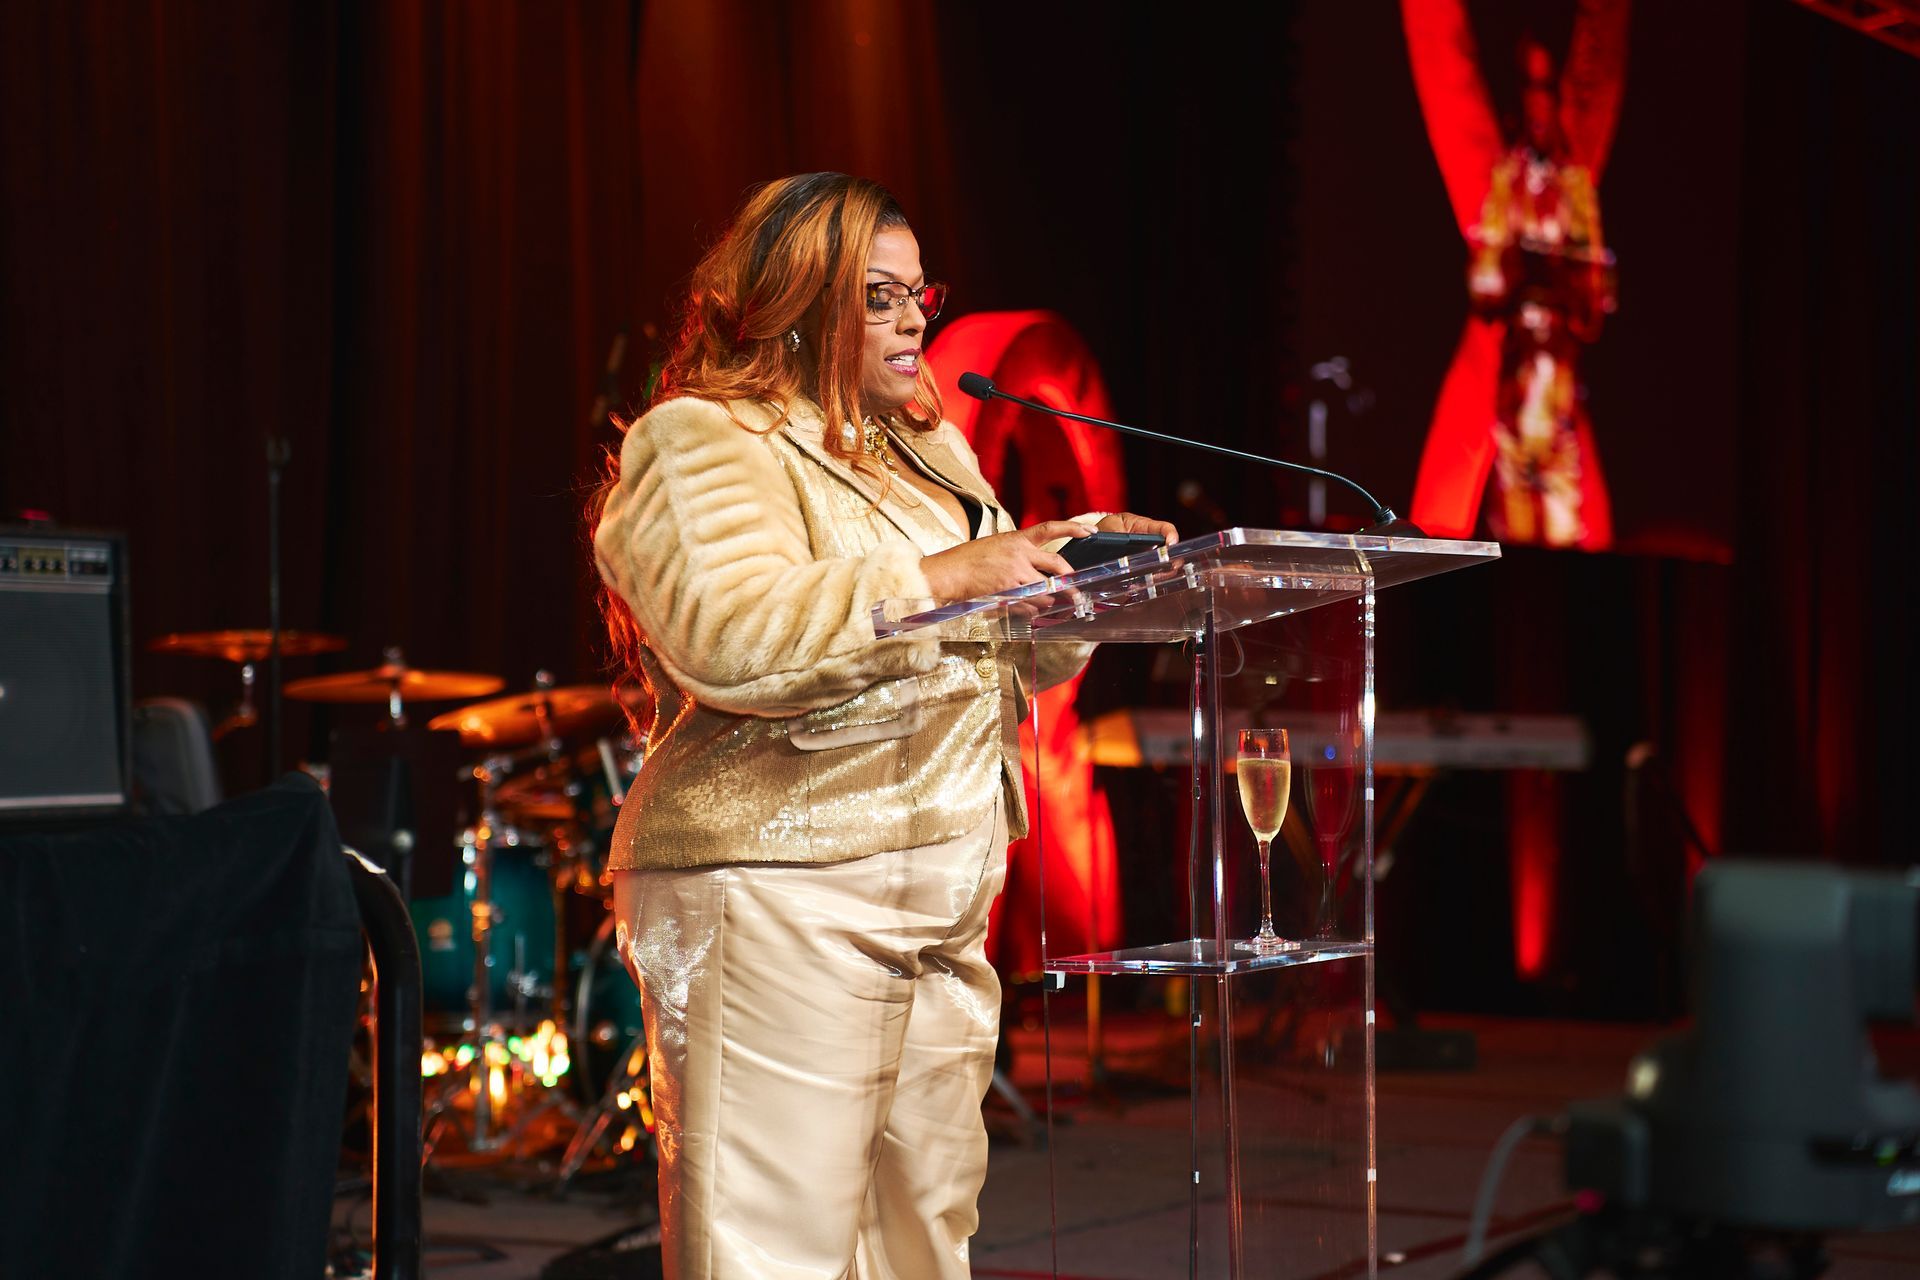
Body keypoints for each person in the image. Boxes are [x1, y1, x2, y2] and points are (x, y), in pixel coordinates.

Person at [588, 171, 1176, 1279]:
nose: (915, 320)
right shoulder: (704, 437)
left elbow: (994, 652)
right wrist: (948, 575)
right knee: (774, 1254)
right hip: (781, 890)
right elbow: (728, 631)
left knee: (921, 1250)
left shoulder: (927, 448)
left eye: (920, 293)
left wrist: (1081, 587)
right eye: (879, 295)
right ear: (796, 302)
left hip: (941, 894)